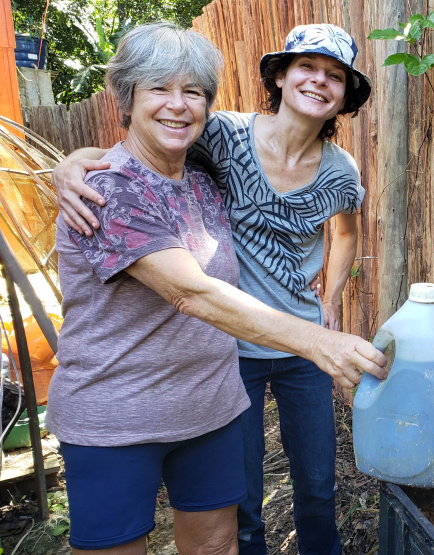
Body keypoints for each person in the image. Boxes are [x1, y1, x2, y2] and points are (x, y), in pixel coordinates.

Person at [47, 22, 386, 555]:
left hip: (214, 394)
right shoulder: (154, 170)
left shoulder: (207, 181)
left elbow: (345, 228)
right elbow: (189, 286)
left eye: (194, 94)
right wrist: (69, 166)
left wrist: (331, 302)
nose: (179, 107)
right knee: (233, 513)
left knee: (279, 509)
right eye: (159, 89)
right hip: (160, 389)